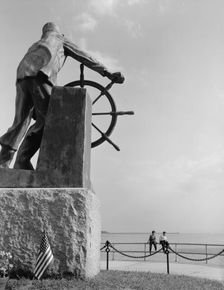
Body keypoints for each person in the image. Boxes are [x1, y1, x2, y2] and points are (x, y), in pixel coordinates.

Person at [0, 22, 124, 170]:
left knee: (20, 121)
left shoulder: (36, 45)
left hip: (21, 76)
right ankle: (22, 161)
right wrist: (107, 72)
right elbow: (85, 57)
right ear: (59, 32)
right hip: (41, 76)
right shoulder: (60, 39)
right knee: (49, 119)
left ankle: (3, 163)